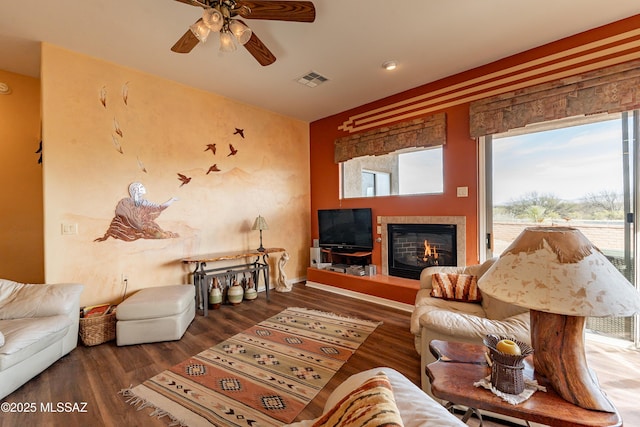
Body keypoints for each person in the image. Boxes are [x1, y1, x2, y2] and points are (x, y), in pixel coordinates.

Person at [95, 182, 178, 242]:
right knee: (157, 234)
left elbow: (159, 208)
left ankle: (169, 235)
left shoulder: (145, 202)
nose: (143, 190)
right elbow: (122, 215)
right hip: (136, 226)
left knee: (159, 234)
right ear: (135, 191)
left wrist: (172, 200)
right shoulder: (125, 202)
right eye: (140, 189)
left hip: (144, 225)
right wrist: (137, 224)